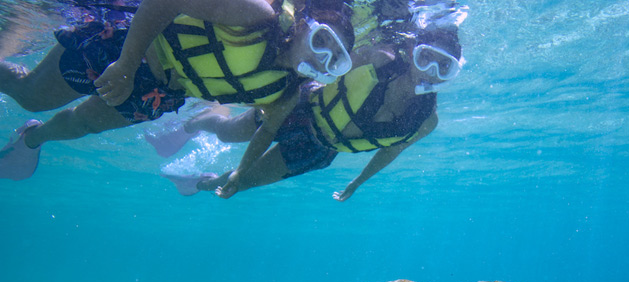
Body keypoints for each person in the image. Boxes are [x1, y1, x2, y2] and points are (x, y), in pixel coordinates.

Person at [0, 0, 354, 180]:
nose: (321, 58)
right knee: (30, 95)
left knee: (82, 124)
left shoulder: (284, 91)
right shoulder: (257, 15)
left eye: (334, 61)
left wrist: (244, 173)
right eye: (322, 41)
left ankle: (33, 138)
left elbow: (265, 132)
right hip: (130, 45)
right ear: (308, 24)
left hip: (161, 92)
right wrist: (125, 64)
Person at [159, 27, 462, 201]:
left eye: (443, 67)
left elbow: (390, 151)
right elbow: (323, 64)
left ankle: (195, 183)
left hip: (318, 150)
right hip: (299, 108)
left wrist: (358, 181)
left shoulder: (426, 121)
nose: (430, 72)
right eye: (425, 59)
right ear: (412, 54)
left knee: (242, 182)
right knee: (227, 132)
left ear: (451, 75)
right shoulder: (377, 59)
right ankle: (192, 123)